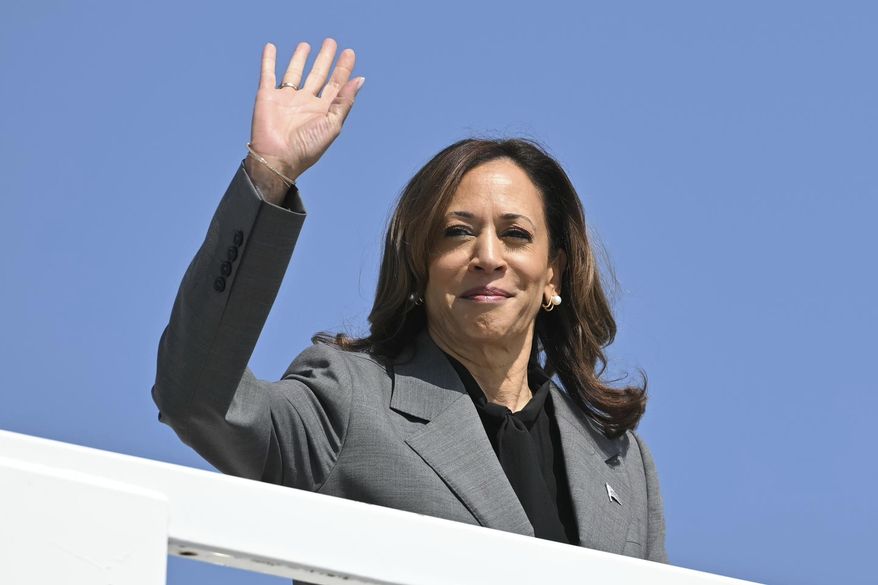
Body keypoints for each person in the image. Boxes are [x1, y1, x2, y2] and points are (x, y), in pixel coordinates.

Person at [152, 37, 667, 561]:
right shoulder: (349, 400)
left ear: (553, 273)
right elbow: (196, 400)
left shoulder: (622, 462)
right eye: (458, 233)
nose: (488, 255)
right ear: (420, 267)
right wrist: (269, 173)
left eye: (516, 234)